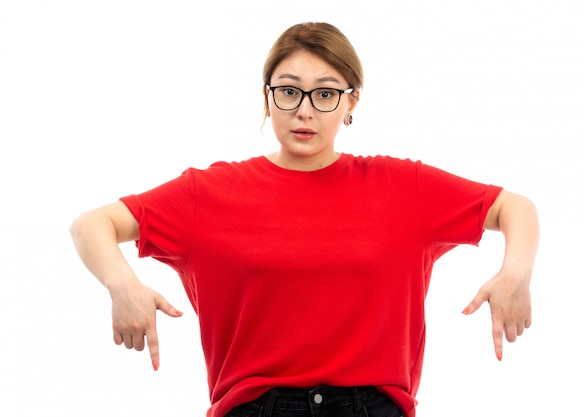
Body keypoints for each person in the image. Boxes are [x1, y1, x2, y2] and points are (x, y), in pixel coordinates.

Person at [70, 22, 539, 417]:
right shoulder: (207, 193)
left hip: (372, 407)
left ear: (351, 103)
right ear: (267, 97)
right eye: (289, 90)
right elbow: (93, 224)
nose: (305, 110)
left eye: (326, 94)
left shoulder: (403, 186)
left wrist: (515, 273)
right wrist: (122, 285)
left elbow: (513, 207)